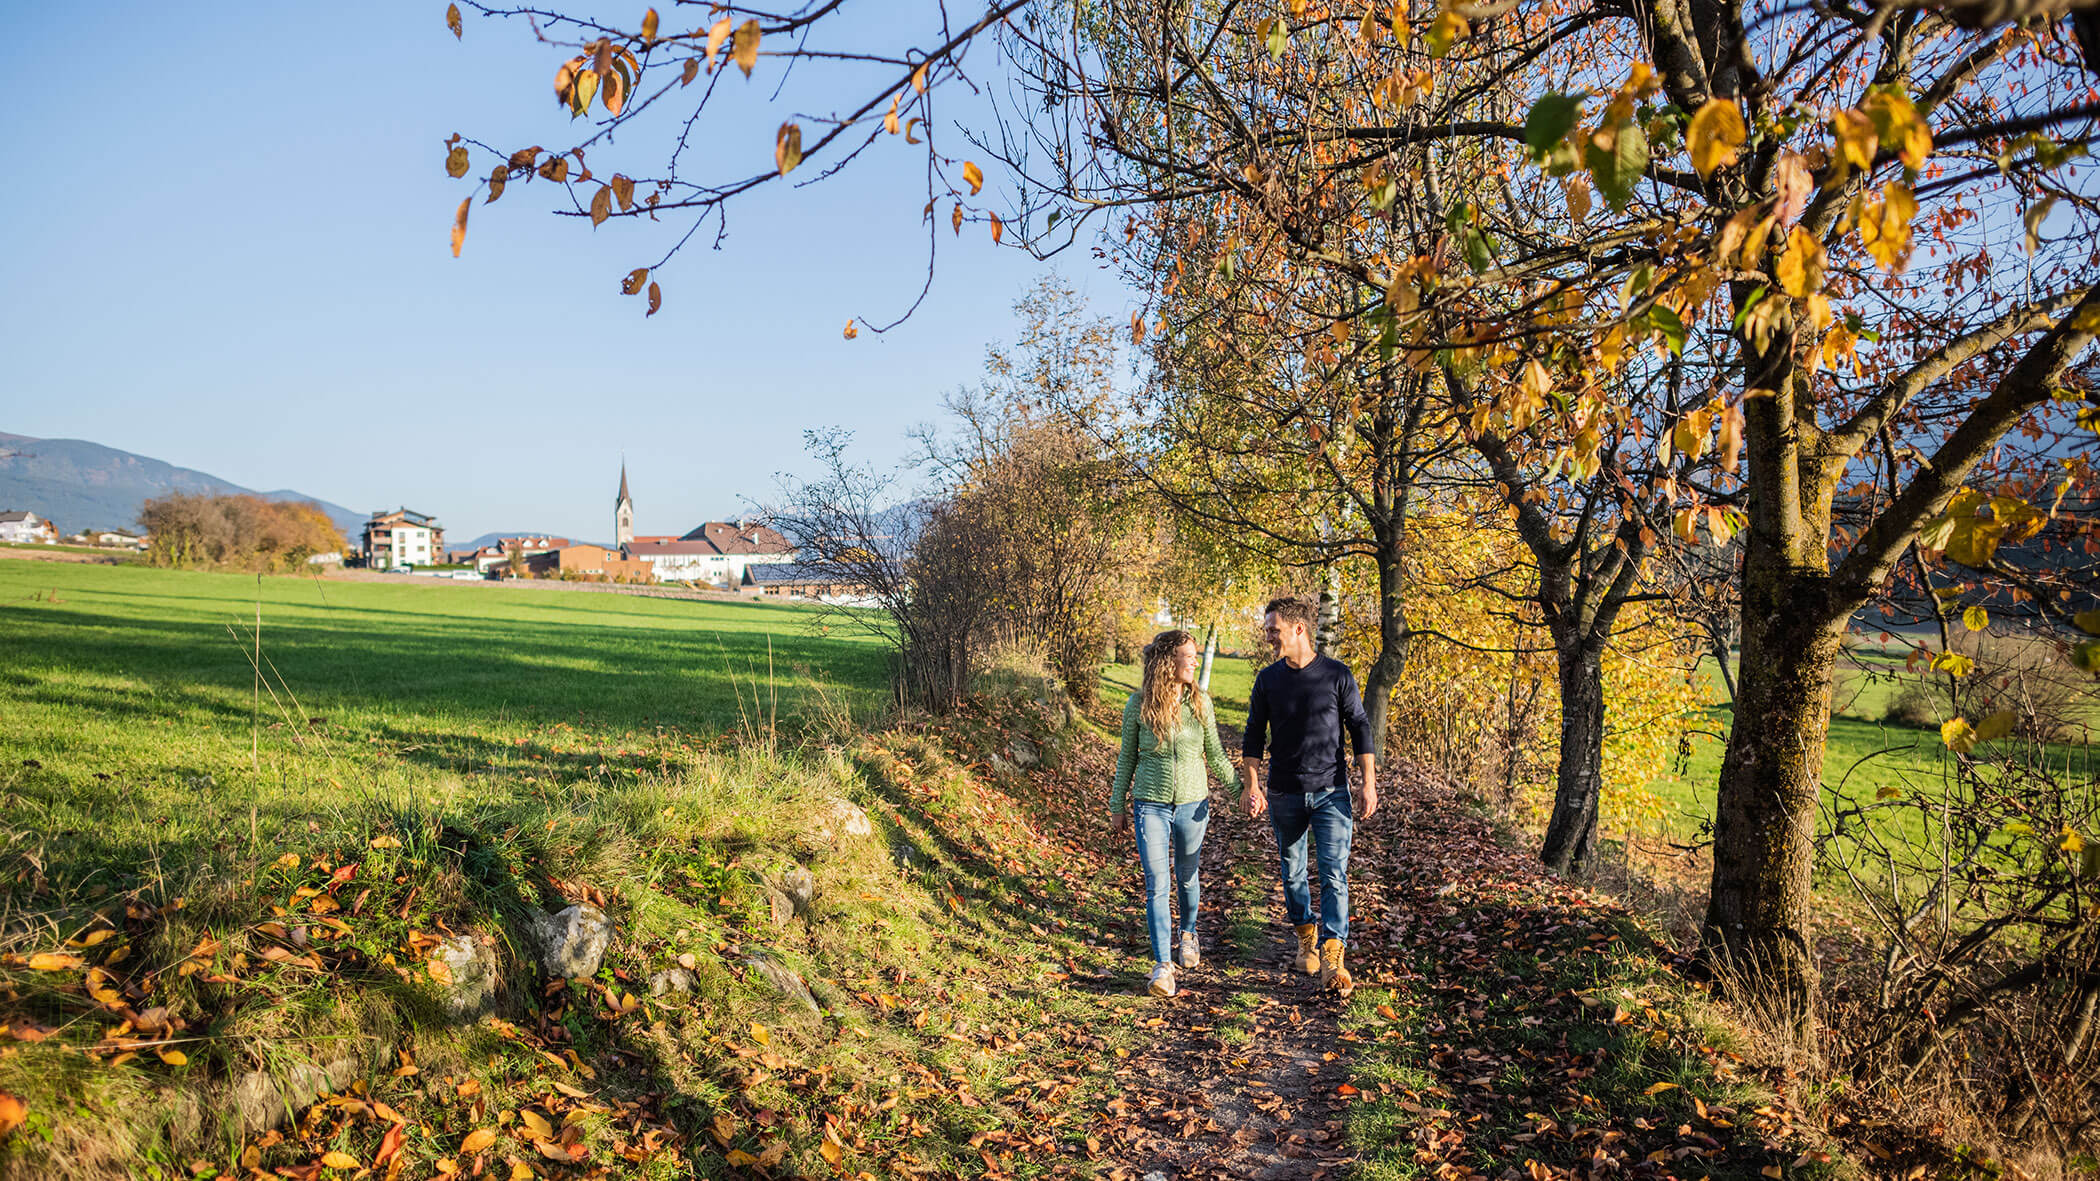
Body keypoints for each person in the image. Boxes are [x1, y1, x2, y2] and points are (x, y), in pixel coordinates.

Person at [1241, 595, 1378, 996]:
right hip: (1284, 793)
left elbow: (1361, 728)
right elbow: (1252, 735)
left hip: (1331, 793)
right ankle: (1306, 935)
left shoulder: (1337, 675)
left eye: (1274, 630)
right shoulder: (1267, 680)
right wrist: (1252, 784)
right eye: (1268, 630)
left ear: (1298, 629)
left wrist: (1368, 782)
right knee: (1293, 873)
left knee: (1334, 873)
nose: (1268, 636)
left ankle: (1333, 953)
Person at [1111, 628, 1244, 998]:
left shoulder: (1200, 703)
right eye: (1190, 655)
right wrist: (1117, 804)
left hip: (1192, 804)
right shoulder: (1137, 705)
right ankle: (1162, 966)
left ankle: (1188, 934)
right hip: (1149, 803)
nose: (1195, 661)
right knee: (1157, 883)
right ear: (1170, 661)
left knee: (1187, 876)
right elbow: (1127, 758)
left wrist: (1242, 792)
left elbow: (1216, 756)